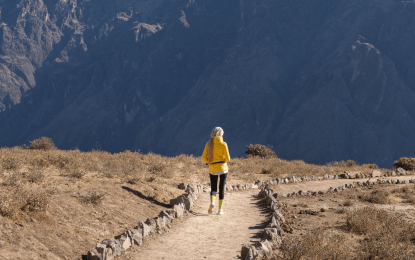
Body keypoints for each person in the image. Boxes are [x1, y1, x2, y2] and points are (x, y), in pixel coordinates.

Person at [202, 127, 230, 215]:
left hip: (212, 169)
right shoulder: (223, 144)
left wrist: (209, 162)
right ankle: (220, 210)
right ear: (221, 135)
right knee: (221, 188)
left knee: (213, 188)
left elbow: (203, 158)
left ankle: (212, 202)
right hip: (222, 169)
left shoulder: (208, 144)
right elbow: (228, 158)